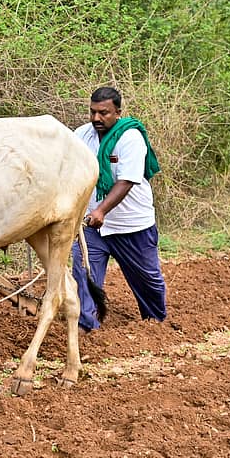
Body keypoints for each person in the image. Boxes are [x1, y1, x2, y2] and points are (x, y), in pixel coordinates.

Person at [72, 87, 167, 332]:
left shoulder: (130, 138)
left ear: (118, 112)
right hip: (91, 227)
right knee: (83, 274)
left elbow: (126, 181)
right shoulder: (81, 136)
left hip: (131, 225)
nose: (96, 119)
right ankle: (87, 324)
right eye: (92, 112)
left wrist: (101, 210)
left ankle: (156, 324)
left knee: (148, 280)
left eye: (103, 113)